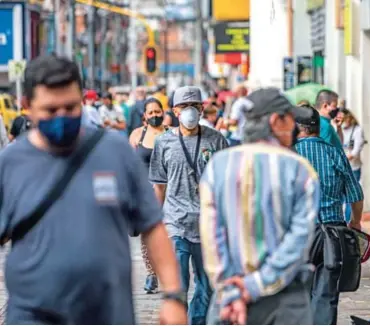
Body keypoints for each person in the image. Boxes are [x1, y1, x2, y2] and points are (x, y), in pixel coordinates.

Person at [0, 55, 186, 324]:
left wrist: (173, 297)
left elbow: (153, 226)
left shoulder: (115, 152)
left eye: (71, 107)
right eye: (51, 110)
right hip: (33, 314)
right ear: (27, 106)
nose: (62, 117)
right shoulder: (11, 164)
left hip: (108, 313)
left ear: (83, 102)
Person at [201, 88, 319, 325]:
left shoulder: (217, 166)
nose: (295, 127)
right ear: (276, 121)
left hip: (228, 301)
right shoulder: (299, 170)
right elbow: (298, 241)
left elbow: (211, 236)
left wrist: (233, 292)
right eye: (290, 119)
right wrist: (254, 286)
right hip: (285, 302)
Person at [149, 86, 228, 325]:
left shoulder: (216, 140)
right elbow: (159, 186)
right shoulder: (163, 143)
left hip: (208, 226)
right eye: (184, 107)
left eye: (194, 106)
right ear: (174, 111)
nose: (190, 111)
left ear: (202, 109)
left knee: (208, 287)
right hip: (176, 224)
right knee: (178, 286)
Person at [294, 105, 364, 325]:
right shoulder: (334, 152)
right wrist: (355, 221)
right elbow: (355, 194)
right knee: (326, 295)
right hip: (333, 233)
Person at [129, 98, 166, 294]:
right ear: (144, 116)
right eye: (150, 113)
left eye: (157, 112)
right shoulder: (137, 134)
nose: (154, 116)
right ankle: (151, 274)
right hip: (144, 193)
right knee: (147, 234)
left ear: (163, 112)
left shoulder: (171, 134)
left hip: (169, 192)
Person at [341, 109, 365, 222]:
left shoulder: (357, 130)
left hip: (353, 168)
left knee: (350, 198)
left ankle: (348, 222)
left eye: (343, 119)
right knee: (342, 198)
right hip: (341, 168)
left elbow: (356, 151)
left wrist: (342, 159)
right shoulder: (338, 129)